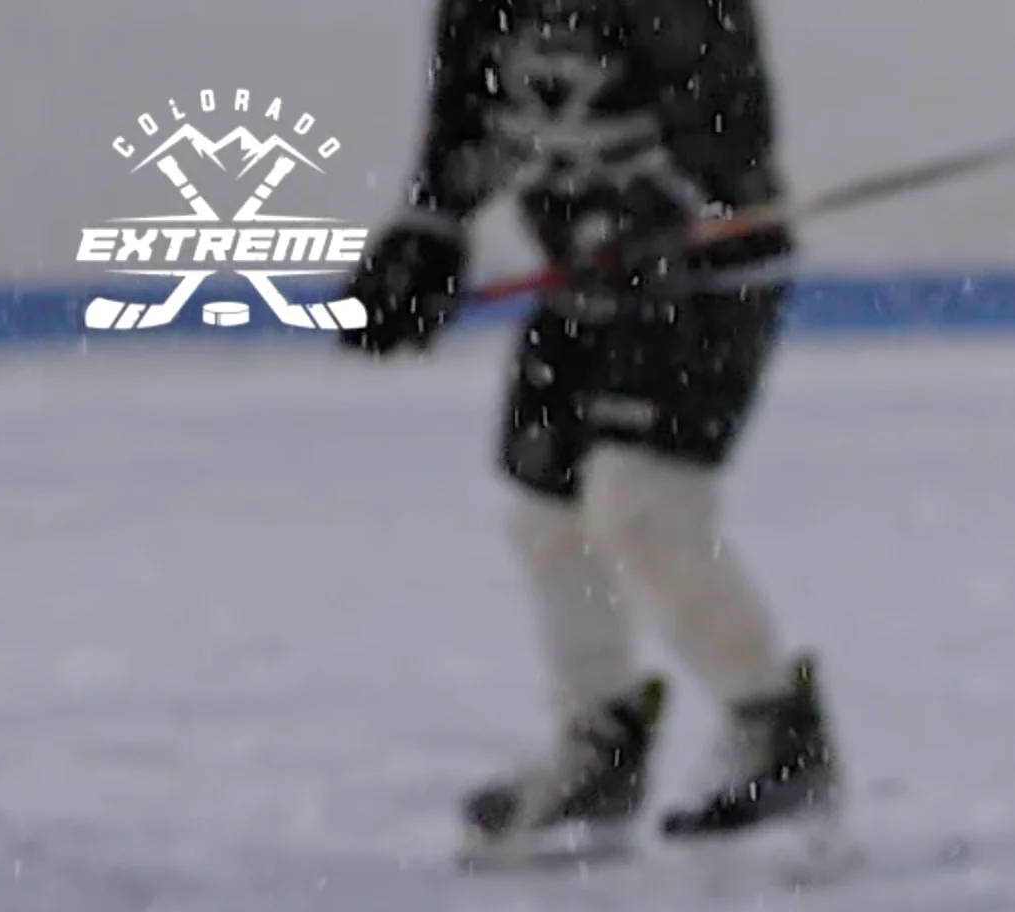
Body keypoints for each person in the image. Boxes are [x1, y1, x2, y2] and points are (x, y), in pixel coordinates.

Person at [342, 0, 842, 867]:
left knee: (642, 506)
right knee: (547, 513)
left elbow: (728, 123)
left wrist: (668, 219)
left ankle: (774, 729)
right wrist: (428, 232)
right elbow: (465, 123)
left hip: (704, 279)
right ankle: (598, 739)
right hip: (584, 281)